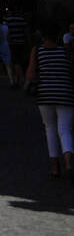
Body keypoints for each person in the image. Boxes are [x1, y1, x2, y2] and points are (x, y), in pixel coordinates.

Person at [25, 26, 74, 180]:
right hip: (66, 94)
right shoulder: (65, 51)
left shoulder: (37, 51)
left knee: (50, 128)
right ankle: (68, 162)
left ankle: (55, 167)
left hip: (45, 94)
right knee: (65, 129)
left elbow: (31, 74)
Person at [4, 7, 29, 87]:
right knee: (19, 60)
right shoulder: (22, 20)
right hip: (21, 42)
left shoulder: (8, 20)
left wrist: (8, 41)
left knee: (15, 62)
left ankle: (22, 79)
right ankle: (16, 80)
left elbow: (8, 33)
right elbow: (26, 32)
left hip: (13, 43)